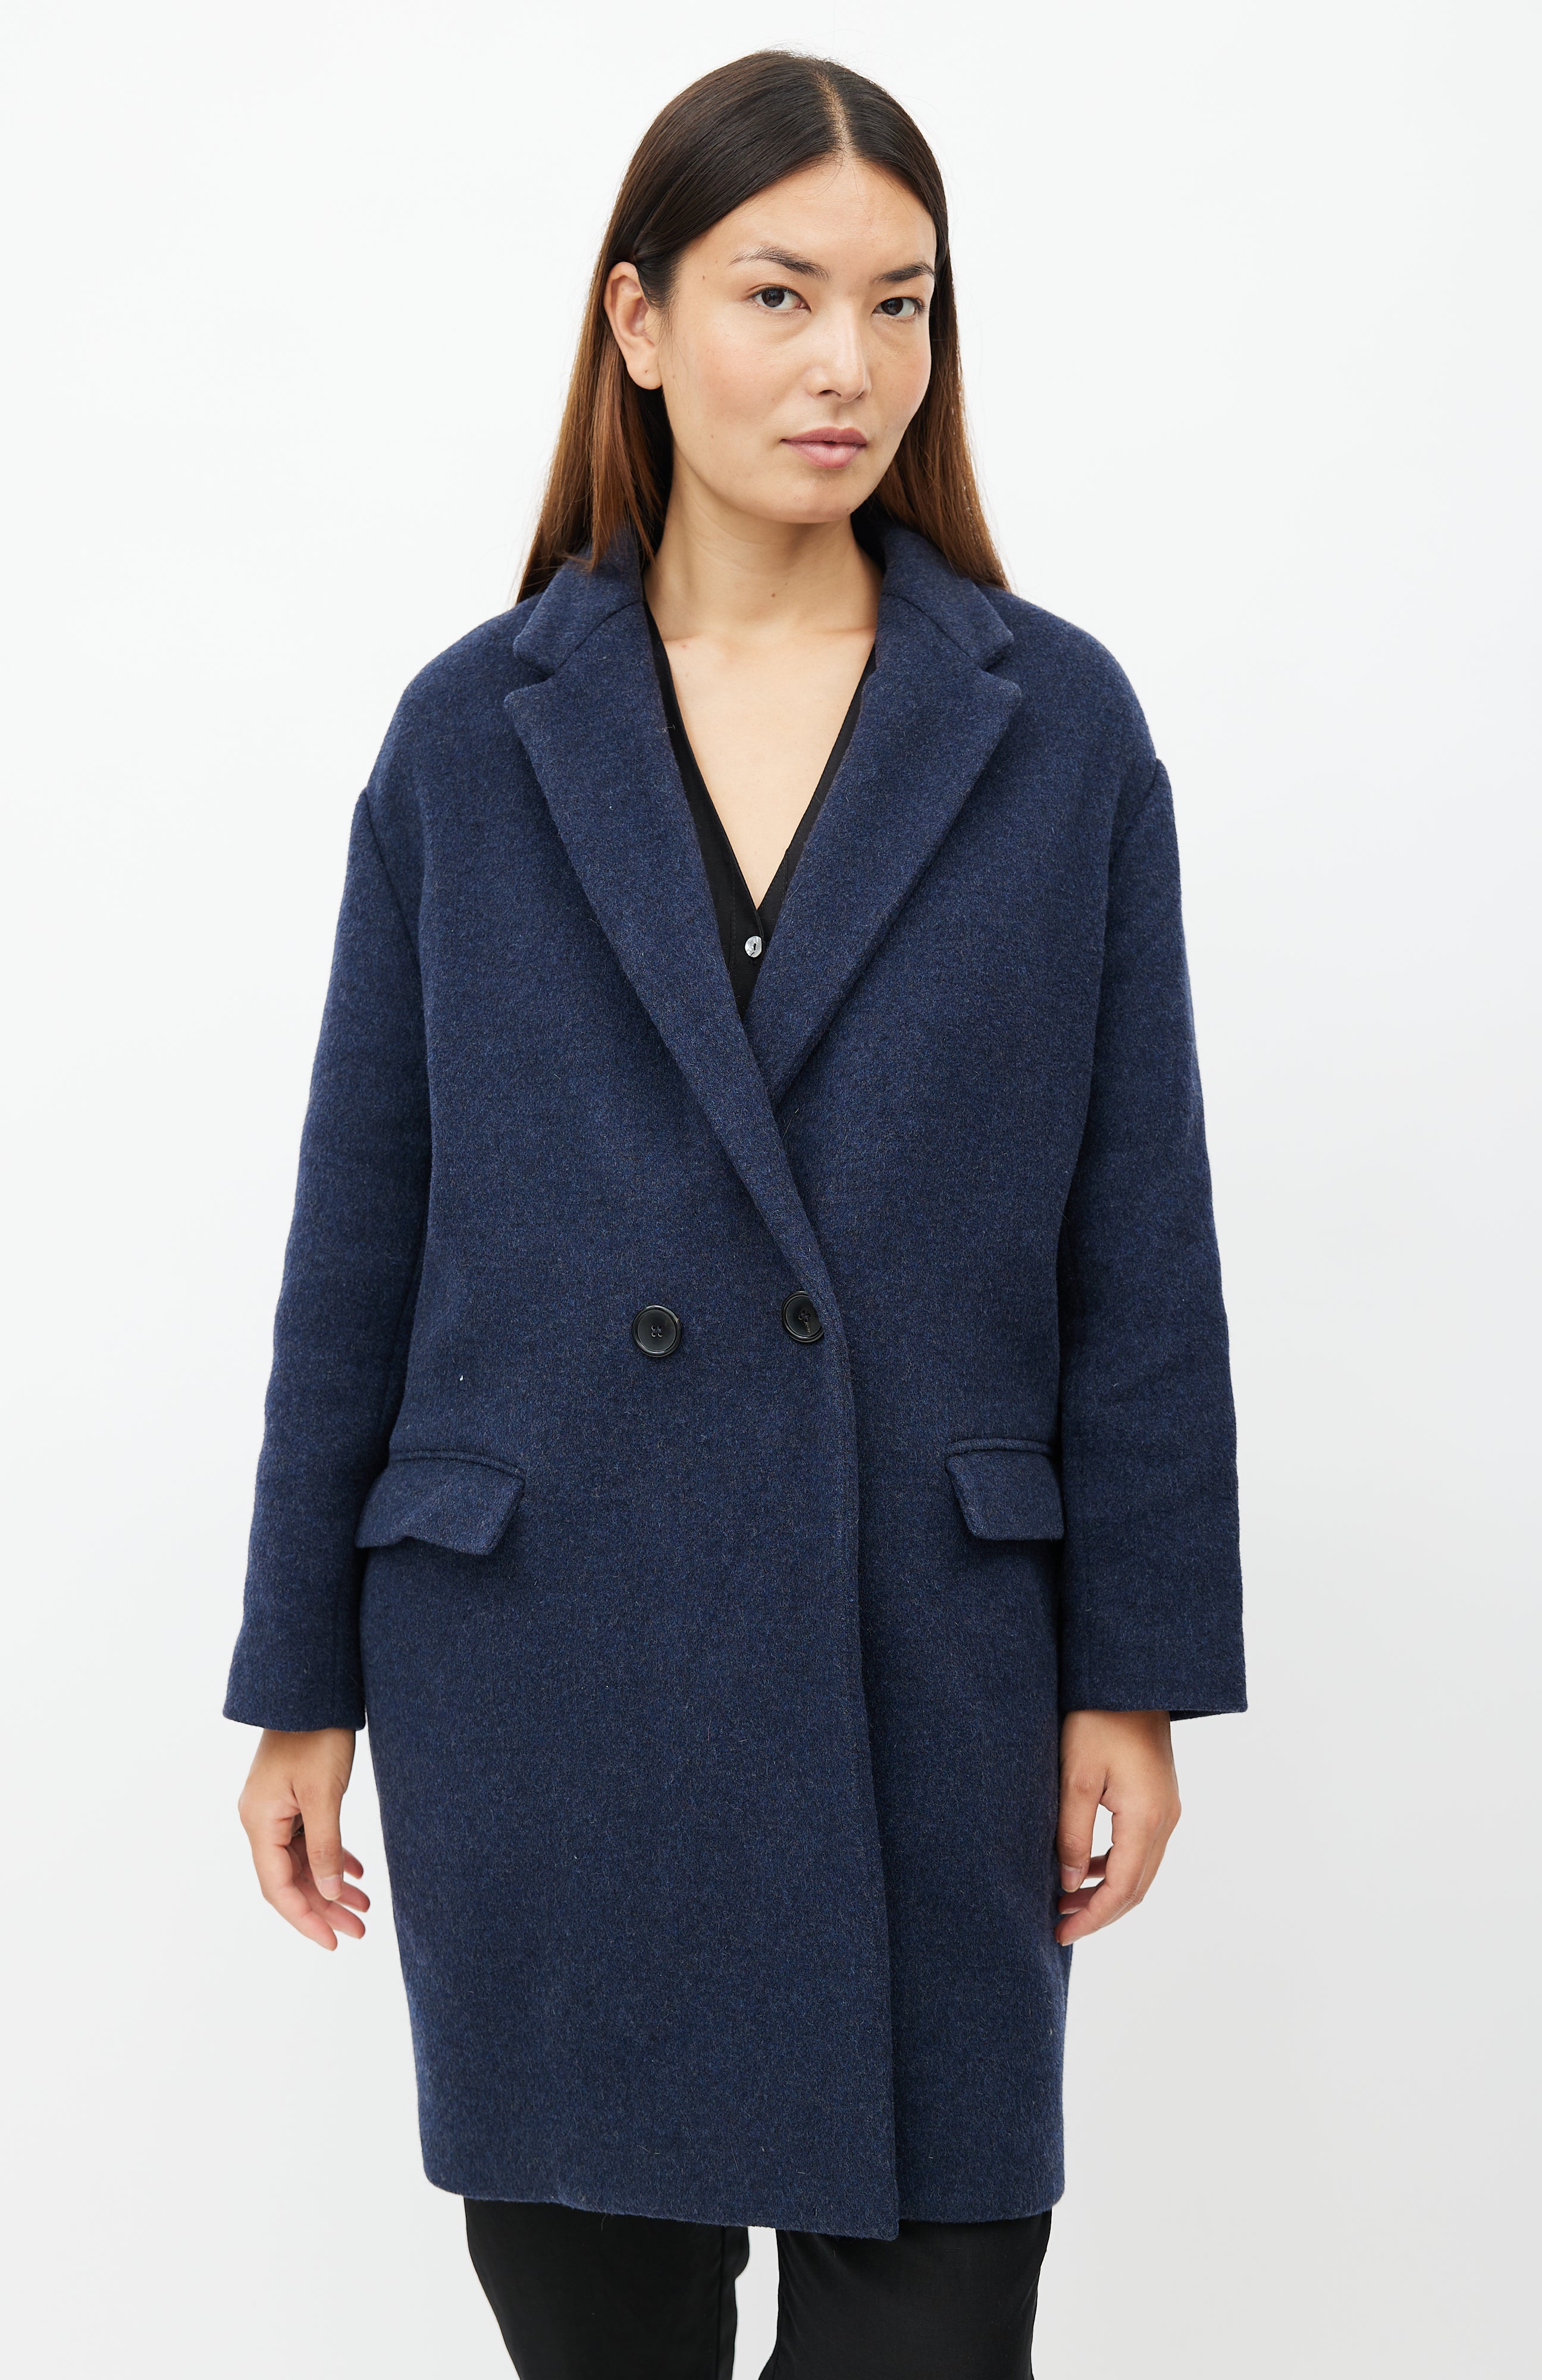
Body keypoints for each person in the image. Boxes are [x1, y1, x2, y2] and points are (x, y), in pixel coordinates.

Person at [227, 49, 1245, 2380]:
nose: (846, 363)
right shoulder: (474, 732)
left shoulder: (1051, 725)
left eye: (900, 302)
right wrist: (300, 1680)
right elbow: (359, 1227)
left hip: (929, 1657)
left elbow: (1138, 1235)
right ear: (639, 320)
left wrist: (1133, 1668)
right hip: (544, 1661)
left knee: (936, 2319)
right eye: (778, 293)